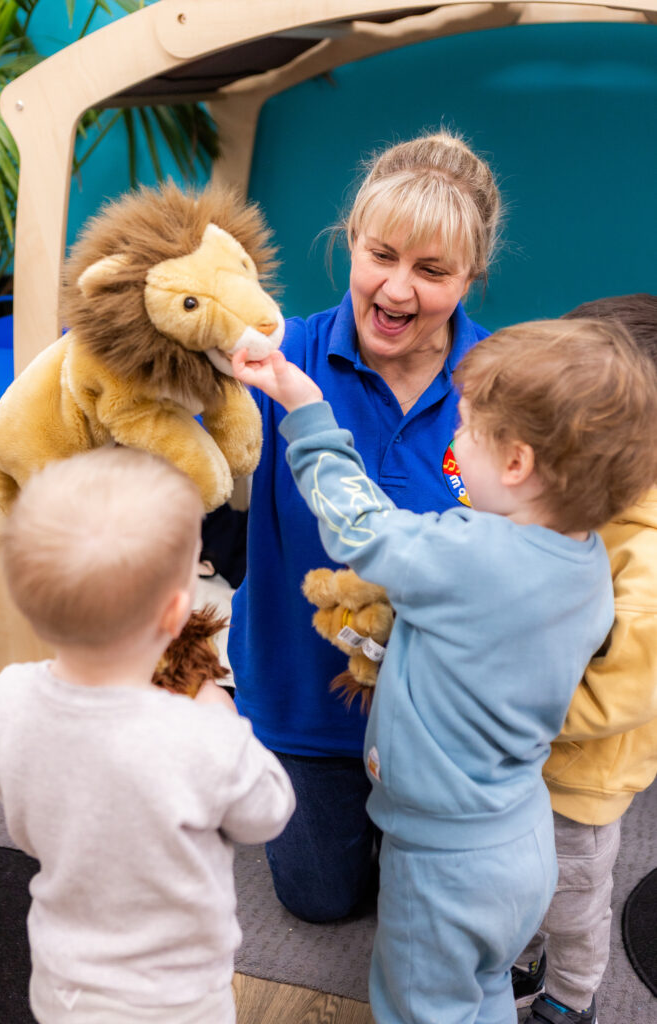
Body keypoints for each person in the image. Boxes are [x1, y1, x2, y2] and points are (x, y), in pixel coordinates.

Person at [231, 314, 657, 1024]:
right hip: (521, 839)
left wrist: (305, 409)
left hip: (443, 860)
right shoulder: (585, 561)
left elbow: (356, 525)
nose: (452, 444)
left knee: (422, 1005)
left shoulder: (469, 554)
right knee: (479, 984)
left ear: (516, 463)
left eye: (464, 432)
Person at [228, 128, 502, 922]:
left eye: (431, 270)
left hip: (442, 713)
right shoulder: (280, 357)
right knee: (323, 901)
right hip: (302, 700)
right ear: (349, 241)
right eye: (381, 255)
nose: (397, 290)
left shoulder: (502, 386)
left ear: (469, 277)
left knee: (437, 905)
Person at [0, 447, 295, 1024]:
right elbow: (268, 812)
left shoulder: (2, 698)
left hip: (61, 983)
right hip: (177, 1000)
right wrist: (223, 716)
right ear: (178, 611)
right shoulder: (199, 733)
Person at [512, 294, 657, 1024]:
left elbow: (613, 697)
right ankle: (520, 952)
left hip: (579, 787)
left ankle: (570, 998)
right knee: (515, 881)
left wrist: (496, 706)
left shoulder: (646, 562)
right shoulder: (583, 499)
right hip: (524, 759)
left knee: (571, 902)